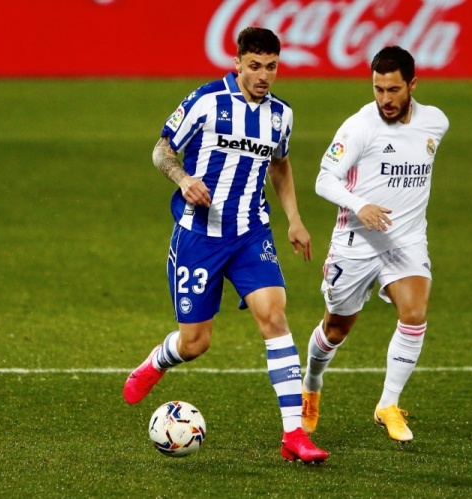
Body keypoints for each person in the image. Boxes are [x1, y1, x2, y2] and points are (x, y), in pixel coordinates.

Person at [123, 27, 328, 464]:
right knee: (195, 343)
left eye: (271, 66)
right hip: (200, 236)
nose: (264, 75)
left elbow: (280, 164)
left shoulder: (281, 115)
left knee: (275, 317)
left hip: (251, 233)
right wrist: (183, 179)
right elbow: (162, 150)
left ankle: (294, 435)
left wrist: (294, 218)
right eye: (254, 66)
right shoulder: (206, 101)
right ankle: (156, 362)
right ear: (237, 64)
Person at [301, 46, 449, 444]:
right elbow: (323, 179)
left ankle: (388, 404)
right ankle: (311, 383)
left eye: (393, 89)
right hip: (356, 242)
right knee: (336, 328)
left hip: (406, 240)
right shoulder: (359, 127)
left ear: (412, 85)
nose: (385, 98)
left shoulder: (436, 122)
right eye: (378, 89)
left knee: (414, 313)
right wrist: (359, 205)